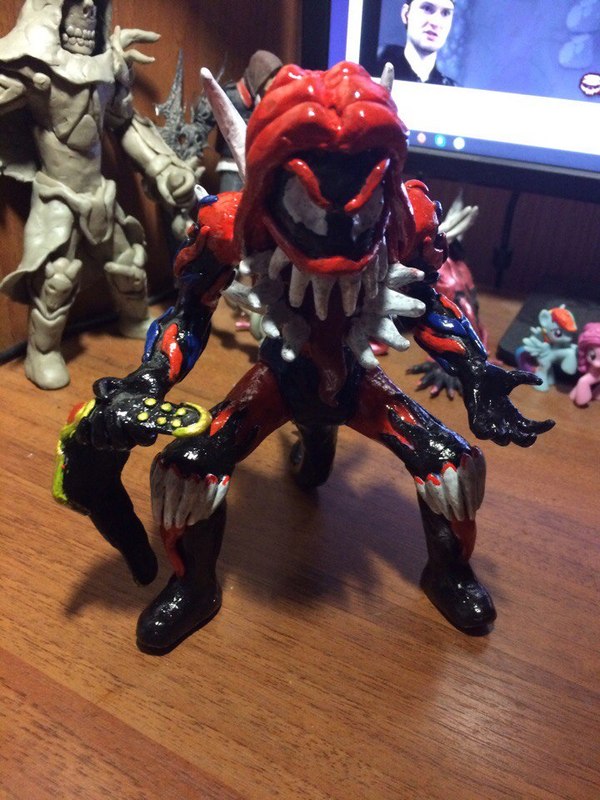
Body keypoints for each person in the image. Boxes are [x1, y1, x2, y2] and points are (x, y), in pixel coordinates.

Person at [0, 0, 196, 389]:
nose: (88, 8)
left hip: (100, 194)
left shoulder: (108, 70)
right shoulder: (36, 72)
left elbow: (125, 123)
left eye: (95, 2)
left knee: (129, 262)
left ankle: (134, 320)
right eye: (75, 1)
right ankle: (42, 352)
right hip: (57, 197)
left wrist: (161, 166)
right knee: (57, 279)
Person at [377, 0, 457, 85]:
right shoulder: (374, 72)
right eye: (427, 8)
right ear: (406, 14)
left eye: (445, 13)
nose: (436, 22)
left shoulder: (453, 90)